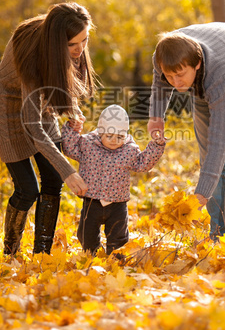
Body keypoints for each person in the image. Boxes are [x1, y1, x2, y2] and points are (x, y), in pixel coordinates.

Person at [0, 2, 96, 256]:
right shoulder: (32, 50)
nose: (80, 49)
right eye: (72, 44)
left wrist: (73, 109)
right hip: (6, 111)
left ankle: (41, 255)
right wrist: (70, 172)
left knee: (52, 180)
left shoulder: (70, 46)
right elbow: (32, 126)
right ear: (57, 41)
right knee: (27, 189)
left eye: (85, 41)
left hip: (39, 104)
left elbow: (64, 76)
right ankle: (10, 254)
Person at [148, 22, 225, 242]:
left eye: (180, 75)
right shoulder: (164, 53)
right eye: (170, 76)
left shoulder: (223, 74)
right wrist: (156, 117)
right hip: (214, 72)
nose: (175, 83)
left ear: (196, 64)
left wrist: (202, 193)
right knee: (208, 157)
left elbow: (220, 142)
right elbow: (160, 84)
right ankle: (219, 234)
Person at [61, 104, 166, 256]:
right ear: (100, 132)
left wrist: (156, 145)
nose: (114, 141)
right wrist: (72, 129)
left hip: (117, 204)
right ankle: (93, 256)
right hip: (92, 201)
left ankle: (116, 260)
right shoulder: (88, 145)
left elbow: (143, 163)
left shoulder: (129, 150)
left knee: (118, 238)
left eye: (120, 136)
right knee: (86, 235)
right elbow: (70, 148)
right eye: (109, 136)